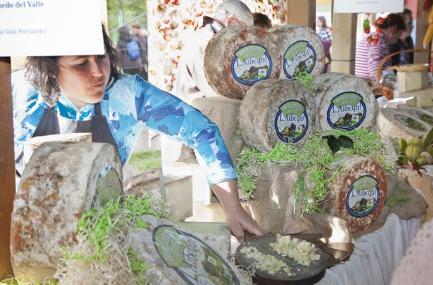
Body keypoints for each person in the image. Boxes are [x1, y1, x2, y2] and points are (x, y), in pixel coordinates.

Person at [11, 25, 263, 241]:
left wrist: (233, 209)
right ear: (50, 68)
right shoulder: (17, 95)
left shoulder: (127, 95)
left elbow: (202, 132)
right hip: (31, 230)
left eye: (101, 57)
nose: (98, 72)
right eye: (80, 64)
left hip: (103, 230)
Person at [173, 0, 253, 162]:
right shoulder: (206, 40)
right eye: (243, 29)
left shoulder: (210, 38)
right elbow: (215, 91)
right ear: (230, 21)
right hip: (198, 120)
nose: (244, 37)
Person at [355, 13, 406, 81]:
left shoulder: (375, 37)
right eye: (398, 36)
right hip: (367, 84)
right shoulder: (378, 41)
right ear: (393, 30)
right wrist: (392, 83)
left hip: (362, 80)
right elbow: (374, 71)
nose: (397, 41)